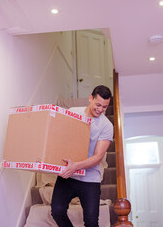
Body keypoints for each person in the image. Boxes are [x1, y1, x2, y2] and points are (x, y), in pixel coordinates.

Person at [51, 85, 113, 227]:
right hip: (68, 175)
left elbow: (98, 157)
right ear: (90, 98)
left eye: (105, 107)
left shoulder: (106, 126)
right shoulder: (73, 113)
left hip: (90, 179)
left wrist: (76, 166)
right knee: (57, 211)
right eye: (98, 104)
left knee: (91, 222)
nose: (100, 109)